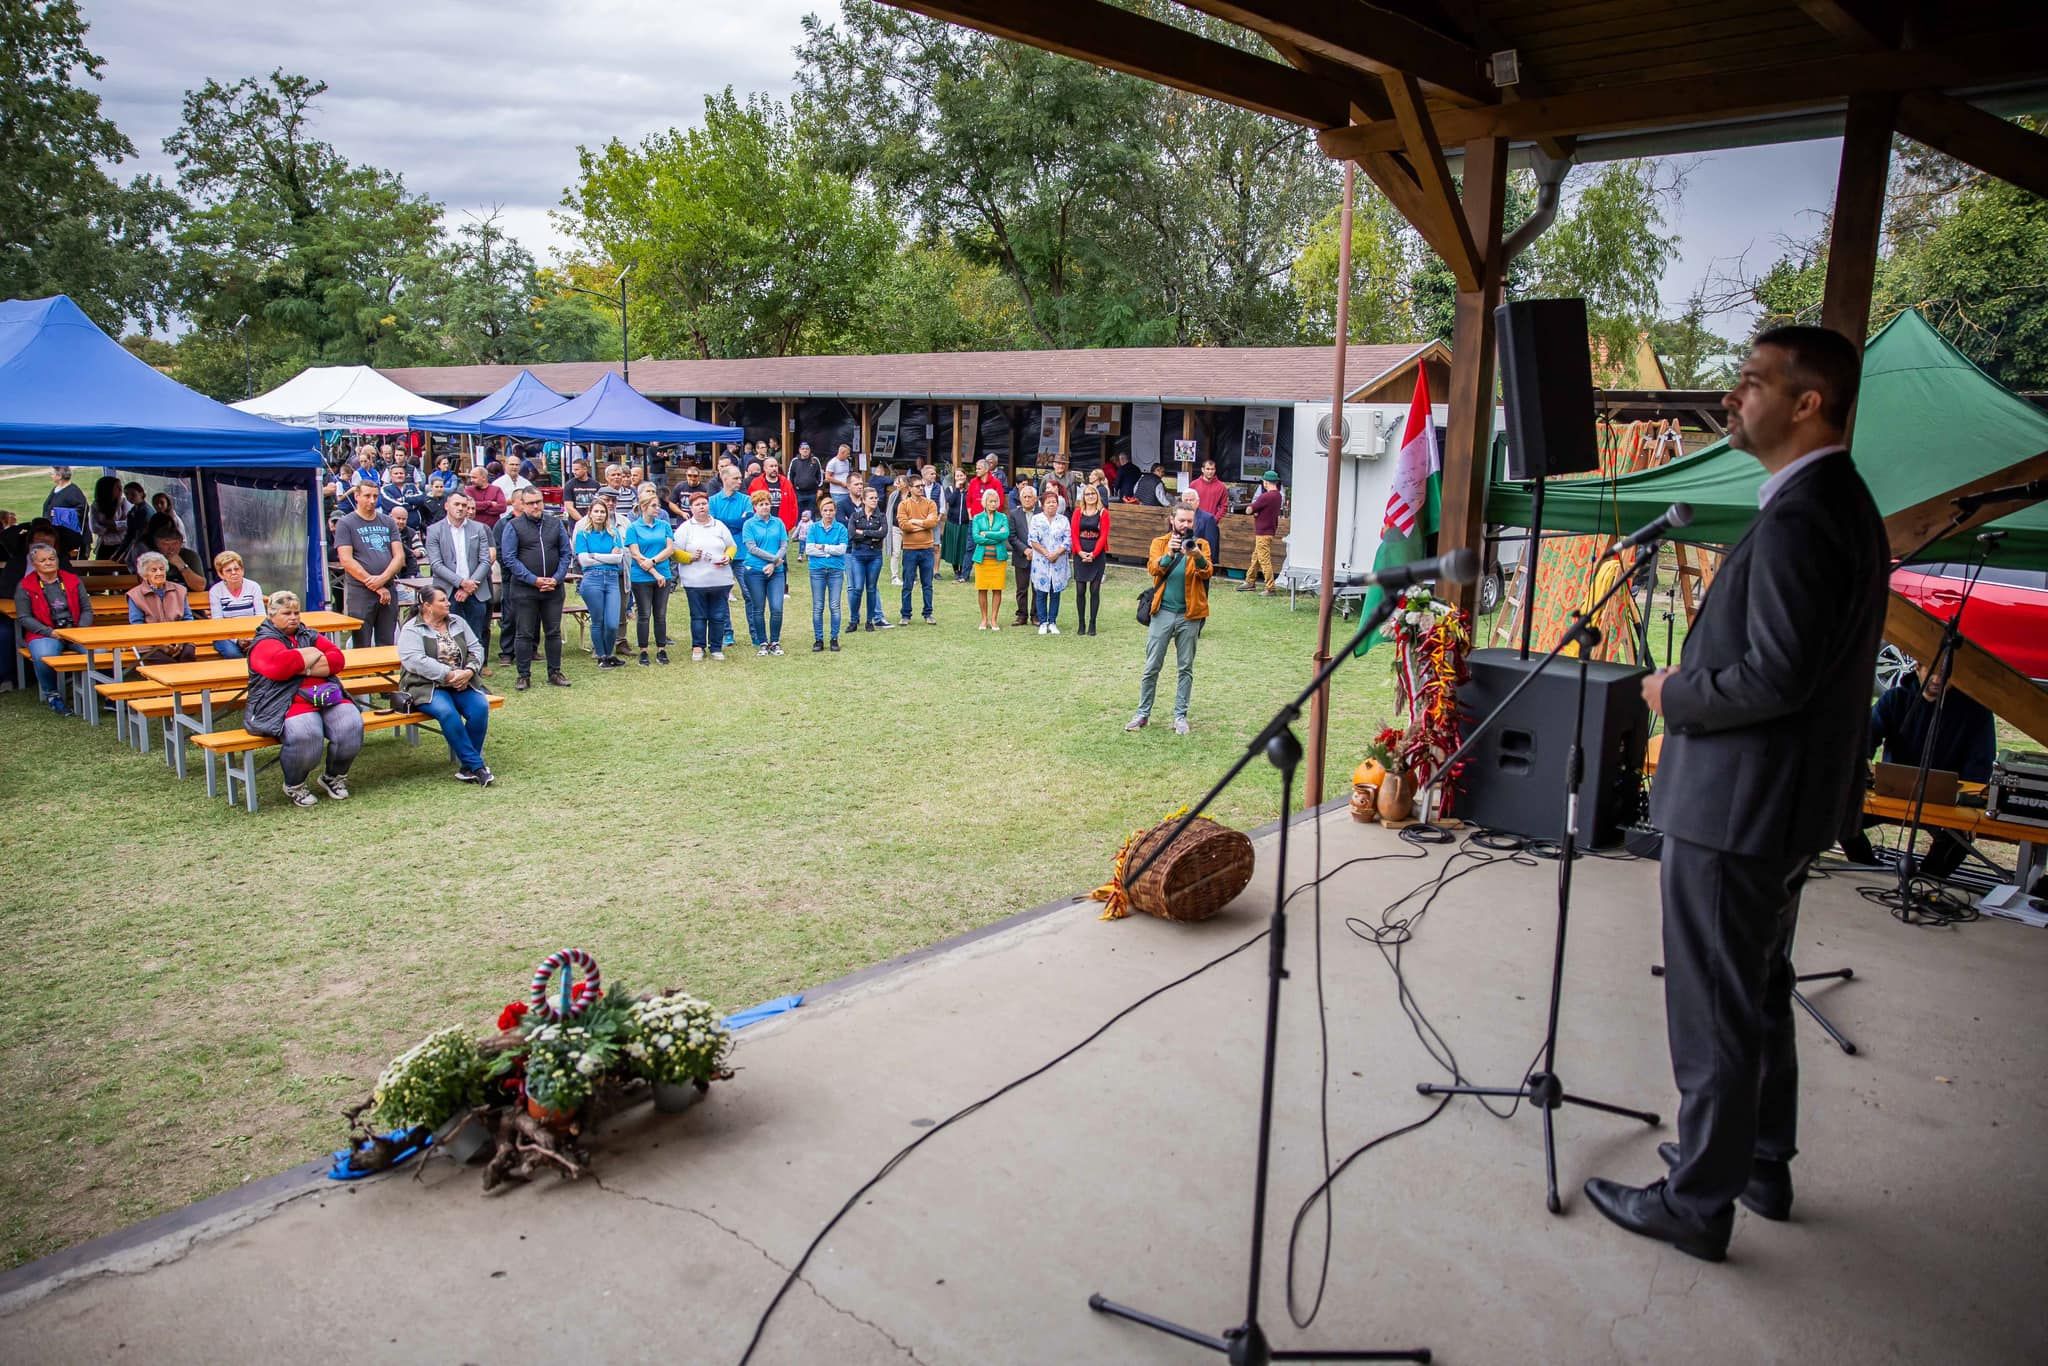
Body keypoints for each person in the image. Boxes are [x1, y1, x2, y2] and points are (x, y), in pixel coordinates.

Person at [1585, 325, 1888, 1263]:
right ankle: (1758, 1161)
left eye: (1753, 383)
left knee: (1714, 1001)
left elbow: (1774, 679)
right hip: (1782, 805)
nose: (1732, 397)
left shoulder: (1804, 516)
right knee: (1756, 987)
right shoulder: (1836, 501)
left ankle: (1696, 1202)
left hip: (1738, 805)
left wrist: (1669, 693)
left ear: (1809, 403)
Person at [1838, 670, 1997, 878]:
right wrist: (1862, 762)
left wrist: (1965, 804)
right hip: (1891, 795)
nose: (1938, 679)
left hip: (1948, 803)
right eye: (1932, 671)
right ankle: (1870, 870)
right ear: (1917, 666)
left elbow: (1980, 766)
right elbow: (1863, 738)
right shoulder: (1895, 698)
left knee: (1958, 839)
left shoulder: (1977, 711)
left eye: (1946, 673)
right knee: (1839, 816)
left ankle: (1924, 883)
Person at [246, 590, 362, 807]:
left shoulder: (308, 633)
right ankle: (295, 784)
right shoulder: (264, 641)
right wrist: (312, 654)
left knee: (351, 724)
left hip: (325, 695)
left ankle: (333, 776)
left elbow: (337, 660)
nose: (293, 617)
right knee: (307, 735)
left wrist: (302, 667)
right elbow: (279, 667)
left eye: (297, 612)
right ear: (271, 615)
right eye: (286, 613)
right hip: (284, 700)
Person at [1127, 504, 1212, 735]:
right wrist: (1170, 554)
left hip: (1190, 614)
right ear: (1172, 520)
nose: (1186, 525)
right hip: (1162, 612)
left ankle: (1180, 716)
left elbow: (1208, 572)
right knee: (1152, 666)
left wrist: (1196, 555)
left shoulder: (1201, 544)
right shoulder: (1160, 543)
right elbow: (1153, 569)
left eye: (1189, 521)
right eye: (1182, 520)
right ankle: (1143, 714)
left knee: (1185, 667)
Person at [397, 586, 494, 785]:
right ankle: (476, 766)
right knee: (447, 712)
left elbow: (476, 647)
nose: (448, 603)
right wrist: (448, 675)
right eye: (442, 600)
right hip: (426, 686)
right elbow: (414, 660)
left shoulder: (458, 622)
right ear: (427, 606)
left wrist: (468, 671)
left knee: (480, 707)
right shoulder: (411, 629)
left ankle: (467, 767)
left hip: (463, 681)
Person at [497, 486, 573, 691]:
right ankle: (523, 675)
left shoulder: (555, 523)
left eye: (538, 501)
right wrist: (533, 579)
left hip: (553, 589)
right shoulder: (513, 526)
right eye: (530, 503)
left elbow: (566, 554)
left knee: (553, 631)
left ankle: (555, 672)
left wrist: (556, 579)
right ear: (521, 504)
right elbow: (509, 558)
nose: (536, 506)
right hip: (525, 589)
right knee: (524, 633)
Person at [14, 542, 91, 715]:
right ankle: (52, 694)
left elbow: (87, 609)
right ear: (34, 564)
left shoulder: (73, 580)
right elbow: (24, 617)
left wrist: (80, 629)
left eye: (52, 558)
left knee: (100, 651)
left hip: (76, 631)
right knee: (43, 655)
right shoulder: (25, 586)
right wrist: (50, 632)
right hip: (44, 633)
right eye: (43, 560)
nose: (48, 562)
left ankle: (104, 691)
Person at [334, 482, 405, 649]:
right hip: (361, 591)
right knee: (362, 642)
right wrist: (374, 585)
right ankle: (361, 675)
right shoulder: (346, 523)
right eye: (367, 496)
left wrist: (383, 579)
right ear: (357, 496)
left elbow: (399, 556)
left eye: (375, 496)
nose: (372, 500)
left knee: (387, 641)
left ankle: (386, 675)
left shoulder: (388, 522)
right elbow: (346, 560)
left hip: (388, 588)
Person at [427, 492, 495, 662]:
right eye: (456, 504)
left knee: (476, 634)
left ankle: (476, 672)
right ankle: (453, 671)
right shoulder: (434, 530)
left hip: (476, 591)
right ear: (446, 506)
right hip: (448, 592)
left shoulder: (479, 528)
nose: (461, 508)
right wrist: (462, 583)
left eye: (464, 505)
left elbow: (485, 560)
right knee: (449, 634)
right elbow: (436, 564)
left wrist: (470, 586)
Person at [674, 489, 737, 661]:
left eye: (704, 503)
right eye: (697, 504)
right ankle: (698, 647)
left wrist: (728, 556)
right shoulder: (685, 528)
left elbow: (731, 545)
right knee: (698, 615)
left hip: (720, 579)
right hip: (695, 581)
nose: (702, 507)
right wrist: (689, 557)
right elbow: (674, 551)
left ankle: (716, 647)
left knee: (718, 616)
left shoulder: (719, 525)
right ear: (691, 508)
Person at [571, 494, 627, 669]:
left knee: (612, 623)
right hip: (592, 580)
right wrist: (606, 556)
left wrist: (594, 555)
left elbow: (618, 558)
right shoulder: (583, 535)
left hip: (611, 580)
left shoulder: (614, 533)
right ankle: (602, 656)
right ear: (590, 513)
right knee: (598, 620)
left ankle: (610, 653)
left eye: (602, 511)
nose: (600, 515)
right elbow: (584, 561)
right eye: (596, 511)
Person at [624, 491, 676, 665]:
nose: (658, 509)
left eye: (658, 505)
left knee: (660, 614)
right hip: (641, 577)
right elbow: (635, 553)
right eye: (654, 505)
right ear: (644, 507)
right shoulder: (633, 527)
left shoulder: (664, 525)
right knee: (644, 614)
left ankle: (661, 649)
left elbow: (670, 549)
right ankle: (643, 650)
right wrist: (654, 571)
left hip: (663, 573)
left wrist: (653, 561)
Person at [708, 463, 755, 650]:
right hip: (721, 554)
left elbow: (745, 523)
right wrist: (732, 523)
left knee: (750, 594)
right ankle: (727, 633)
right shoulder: (712, 501)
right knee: (721, 596)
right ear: (724, 478)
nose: (739, 480)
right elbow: (713, 526)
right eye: (735, 478)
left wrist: (724, 522)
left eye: (739, 477)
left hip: (742, 554)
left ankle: (756, 632)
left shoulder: (746, 500)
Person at [739, 489, 789, 656]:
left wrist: (774, 564)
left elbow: (784, 545)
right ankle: (762, 642)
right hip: (754, 570)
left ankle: (775, 641)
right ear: (755, 507)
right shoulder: (749, 524)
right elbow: (752, 548)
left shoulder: (778, 523)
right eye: (761, 504)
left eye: (767, 503)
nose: (765, 507)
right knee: (758, 608)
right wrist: (774, 559)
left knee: (777, 608)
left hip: (776, 571)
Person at [804, 496, 849, 651]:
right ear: (820, 512)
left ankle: (834, 638)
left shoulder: (841, 529)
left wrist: (823, 547)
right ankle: (818, 639)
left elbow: (842, 550)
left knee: (835, 605)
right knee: (818, 605)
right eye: (825, 510)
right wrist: (830, 551)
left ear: (835, 511)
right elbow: (809, 550)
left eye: (831, 510)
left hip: (836, 571)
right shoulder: (813, 528)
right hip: (817, 570)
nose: (828, 513)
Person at [897, 474, 941, 625]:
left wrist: (915, 522)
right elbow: (904, 525)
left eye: (922, 486)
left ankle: (928, 613)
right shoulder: (903, 505)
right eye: (917, 486)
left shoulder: (931, 504)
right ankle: (905, 614)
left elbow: (933, 522)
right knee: (908, 583)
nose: (921, 488)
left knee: (927, 584)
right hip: (910, 550)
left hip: (927, 549)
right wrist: (923, 524)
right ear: (910, 488)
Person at [1028, 488, 1072, 634]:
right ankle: (1043, 621)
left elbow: (1067, 540)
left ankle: (1052, 621)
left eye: (1054, 502)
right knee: (1041, 592)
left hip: (1058, 562)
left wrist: (1056, 553)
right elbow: (1033, 540)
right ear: (1043, 504)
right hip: (1041, 561)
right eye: (1049, 502)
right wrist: (1047, 553)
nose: (1052, 505)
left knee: (1055, 592)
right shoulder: (1036, 519)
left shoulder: (1063, 520)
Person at [847, 484, 890, 631]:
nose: (875, 500)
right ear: (863, 500)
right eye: (871, 498)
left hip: (874, 556)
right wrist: (872, 534)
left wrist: (863, 533)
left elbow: (883, 533)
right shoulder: (855, 516)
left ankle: (869, 621)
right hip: (858, 555)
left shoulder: (881, 516)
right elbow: (852, 535)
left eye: (876, 498)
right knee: (857, 588)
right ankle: (853, 620)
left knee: (871, 588)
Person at [207, 552, 265, 660]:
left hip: (252, 633)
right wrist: (237, 640)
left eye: (237, 569)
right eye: (228, 570)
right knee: (233, 654)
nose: (234, 573)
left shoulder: (254, 586)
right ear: (221, 574)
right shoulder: (215, 591)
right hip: (225, 635)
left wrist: (250, 637)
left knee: (260, 651)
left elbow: (261, 616)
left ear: (242, 570)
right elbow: (218, 621)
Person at [1071, 482, 1111, 636]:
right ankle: (1081, 623)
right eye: (1087, 494)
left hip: (1097, 554)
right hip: (1080, 553)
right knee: (1080, 590)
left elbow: (1103, 535)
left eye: (1093, 494)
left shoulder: (1103, 513)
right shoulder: (1077, 513)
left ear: (1097, 496)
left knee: (1094, 590)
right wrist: (1080, 552)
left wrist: (1094, 554)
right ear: (1083, 497)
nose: (1090, 497)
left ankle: (1092, 623)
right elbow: (1074, 534)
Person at [970, 487, 1010, 631]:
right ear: (985, 502)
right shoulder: (977, 518)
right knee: (982, 589)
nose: (993, 504)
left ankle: (994, 619)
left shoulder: (1003, 517)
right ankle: (984, 619)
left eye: (995, 501)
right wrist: (996, 535)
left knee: (997, 589)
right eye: (990, 501)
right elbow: (976, 538)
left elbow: (1005, 535)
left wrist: (986, 534)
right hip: (982, 560)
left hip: (998, 560)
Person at [1241, 470, 1283, 594]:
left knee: (1264, 559)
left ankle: (1270, 588)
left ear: (1265, 482)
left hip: (1262, 532)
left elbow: (1249, 510)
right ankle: (1250, 581)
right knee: (1256, 557)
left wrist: (1253, 510)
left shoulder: (1265, 496)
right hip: (1270, 530)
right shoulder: (1278, 496)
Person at [1007, 482, 1039, 628]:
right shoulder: (1014, 514)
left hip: (1039, 557)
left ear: (1035, 498)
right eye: (1024, 496)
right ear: (1020, 499)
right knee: (1021, 588)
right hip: (1021, 556)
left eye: (1030, 496)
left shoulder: (1041, 513)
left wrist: (1036, 551)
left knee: (1038, 587)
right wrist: (1025, 550)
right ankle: (1021, 615)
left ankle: (1036, 615)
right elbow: (1012, 537)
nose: (1027, 499)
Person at [748, 456, 800, 534]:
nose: (774, 468)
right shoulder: (756, 483)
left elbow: (793, 504)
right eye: (771, 466)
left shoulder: (786, 483)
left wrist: (792, 524)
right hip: (761, 524)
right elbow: (750, 504)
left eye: (776, 466)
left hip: (782, 524)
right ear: (764, 468)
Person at [1178, 487, 1222, 564]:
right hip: (1180, 559)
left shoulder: (1208, 519)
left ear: (1198, 502)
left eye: (1191, 500)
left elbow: (1211, 544)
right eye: (1186, 500)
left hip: (1199, 559)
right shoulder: (1177, 517)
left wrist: (1207, 563)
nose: (1188, 502)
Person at [42, 466, 89, 538]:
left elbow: (83, 509)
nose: (50, 476)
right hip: (56, 533)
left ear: (59, 476)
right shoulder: (56, 488)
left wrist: (58, 513)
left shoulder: (73, 491)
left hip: (71, 537)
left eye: (52, 473)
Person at [944, 466, 973, 582]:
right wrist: (957, 489)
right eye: (957, 476)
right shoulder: (950, 489)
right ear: (954, 478)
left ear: (965, 476)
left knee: (963, 548)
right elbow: (950, 501)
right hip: (953, 523)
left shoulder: (970, 489)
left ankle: (963, 570)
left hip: (966, 523)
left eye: (961, 475)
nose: (960, 478)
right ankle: (956, 571)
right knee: (954, 548)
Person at [89, 476, 125, 557]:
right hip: (105, 545)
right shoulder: (96, 505)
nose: (120, 490)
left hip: (121, 544)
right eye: (117, 487)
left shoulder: (124, 502)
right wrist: (109, 528)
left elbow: (129, 523)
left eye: (120, 487)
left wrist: (113, 524)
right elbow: (94, 527)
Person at [465, 466, 507, 531]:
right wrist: (489, 503)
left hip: (493, 530)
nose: (471, 480)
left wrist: (480, 509)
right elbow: (468, 505)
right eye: (471, 477)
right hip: (474, 529)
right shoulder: (469, 490)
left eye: (474, 477)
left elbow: (502, 507)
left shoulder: (496, 489)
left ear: (484, 478)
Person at [788, 440, 824, 515]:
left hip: (812, 493)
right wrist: (791, 490)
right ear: (799, 450)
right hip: (798, 493)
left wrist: (820, 488)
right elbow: (790, 476)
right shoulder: (794, 461)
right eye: (803, 449)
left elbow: (820, 475)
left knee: (811, 514)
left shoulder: (815, 460)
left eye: (807, 449)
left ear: (810, 450)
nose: (805, 450)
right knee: (798, 514)